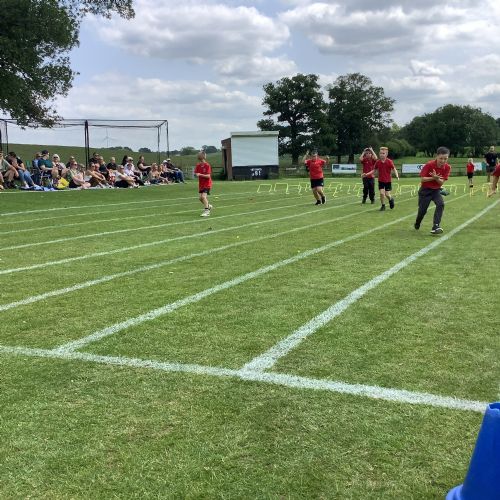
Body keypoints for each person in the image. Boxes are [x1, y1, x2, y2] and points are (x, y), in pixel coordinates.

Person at [414, 146, 451, 235]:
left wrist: (436, 178)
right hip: (425, 191)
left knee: (440, 204)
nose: (443, 161)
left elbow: (441, 183)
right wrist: (433, 178)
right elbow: (422, 179)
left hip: (436, 191)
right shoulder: (429, 165)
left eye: (445, 159)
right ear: (436, 156)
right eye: (441, 158)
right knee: (422, 211)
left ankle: (436, 226)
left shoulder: (447, 167)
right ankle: (417, 222)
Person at [367, 146, 399, 211]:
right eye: (380, 153)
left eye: (383, 153)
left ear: (386, 154)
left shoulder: (389, 161)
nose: (381, 155)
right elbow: (374, 170)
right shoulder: (378, 162)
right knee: (381, 193)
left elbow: (394, 169)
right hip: (381, 180)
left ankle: (391, 199)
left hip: (388, 181)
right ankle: (383, 205)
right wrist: (367, 174)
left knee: (387, 194)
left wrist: (397, 176)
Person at [194, 151, 213, 217]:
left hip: (207, 184)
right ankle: (208, 206)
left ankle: (207, 211)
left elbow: (208, 176)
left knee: (203, 197)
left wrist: (200, 174)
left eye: (199, 154)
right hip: (201, 184)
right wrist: (196, 174)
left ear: (203, 156)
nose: (198, 155)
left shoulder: (207, 165)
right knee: (200, 198)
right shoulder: (198, 165)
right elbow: (196, 173)